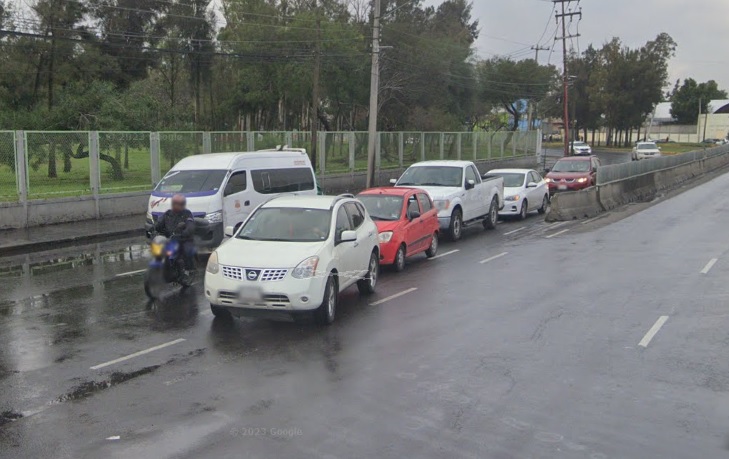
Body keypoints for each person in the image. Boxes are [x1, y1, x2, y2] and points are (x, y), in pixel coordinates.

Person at [154, 194, 196, 274]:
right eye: (175, 203)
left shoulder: (187, 213)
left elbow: (190, 226)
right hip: (169, 238)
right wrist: (155, 227)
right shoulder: (168, 213)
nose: (176, 206)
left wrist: (185, 233)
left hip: (183, 239)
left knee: (187, 249)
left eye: (178, 204)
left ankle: (187, 271)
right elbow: (160, 223)